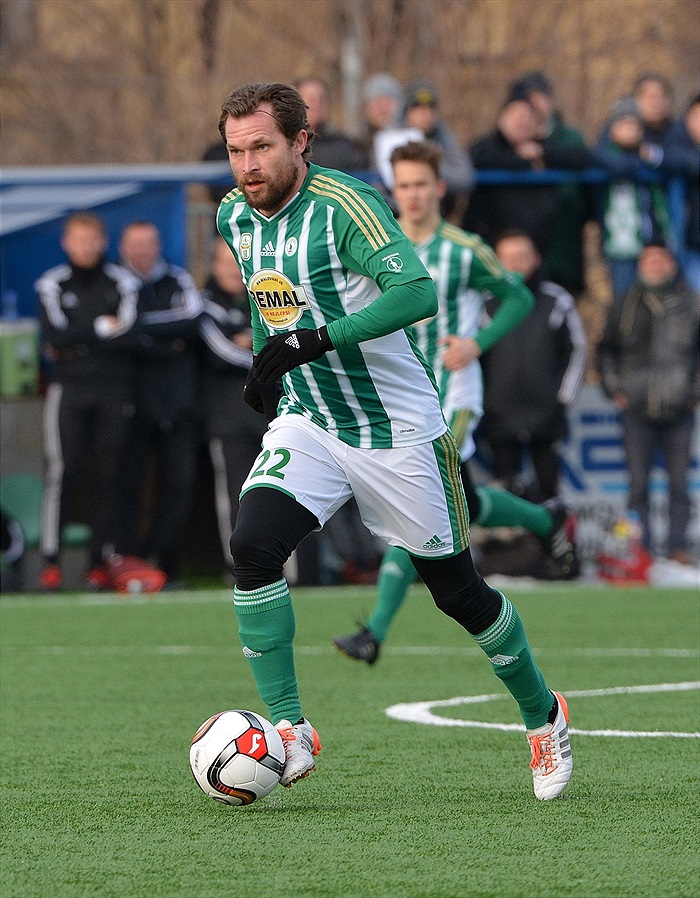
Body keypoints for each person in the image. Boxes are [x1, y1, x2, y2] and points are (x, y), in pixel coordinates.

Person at [216, 81, 573, 800]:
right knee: (252, 547)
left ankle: (544, 716)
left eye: (261, 147)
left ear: (300, 143)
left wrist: (318, 339)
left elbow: (416, 293)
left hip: (399, 428)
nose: (247, 165)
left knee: (457, 592)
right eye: (235, 150)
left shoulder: (346, 207)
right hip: (314, 419)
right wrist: (266, 362)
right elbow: (268, 297)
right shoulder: (234, 216)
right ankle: (290, 729)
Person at [333, 142, 579, 666]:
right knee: (457, 498)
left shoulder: (464, 249)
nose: (413, 194)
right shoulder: (376, 243)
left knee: (418, 498)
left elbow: (520, 297)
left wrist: (477, 344)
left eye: (421, 184)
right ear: (391, 190)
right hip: (396, 394)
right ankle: (546, 520)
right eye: (403, 185)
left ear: (439, 188)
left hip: (451, 394)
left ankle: (374, 631)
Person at [35, 211, 139, 591]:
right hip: (69, 389)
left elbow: (130, 333)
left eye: (92, 240)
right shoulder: (51, 284)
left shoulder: (122, 281)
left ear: (103, 242)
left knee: (108, 473)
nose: (85, 247)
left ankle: (100, 561)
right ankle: (51, 560)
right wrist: (99, 327)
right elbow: (55, 339)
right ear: (66, 243)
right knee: (65, 471)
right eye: (78, 240)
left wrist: (79, 338)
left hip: (113, 388)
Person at [597, 241, 699, 565]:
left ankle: (678, 548)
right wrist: (615, 388)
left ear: (672, 264)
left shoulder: (692, 303)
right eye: (648, 260)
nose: (655, 265)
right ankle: (640, 551)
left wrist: (695, 392)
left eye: (661, 259)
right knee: (637, 484)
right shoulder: (624, 303)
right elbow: (606, 350)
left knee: (679, 484)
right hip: (636, 407)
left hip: (680, 406)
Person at [116, 220, 203, 585]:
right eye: (135, 244)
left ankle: (163, 561)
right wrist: (165, 341)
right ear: (123, 248)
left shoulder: (178, 280)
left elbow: (191, 319)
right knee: (128, 483)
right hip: (132, 405)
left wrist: (141, 334)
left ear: (158, 246)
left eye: (148, 243)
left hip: (178, 404)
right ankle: (128, 562)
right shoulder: (117, 283)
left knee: (180, 483)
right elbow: (117, 332)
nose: (142, 251)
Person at [480, 229, 587, 503]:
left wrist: (562, 398)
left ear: (537, 259)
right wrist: (481, 401)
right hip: (498, 414)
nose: (515, 265)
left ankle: (552, 545)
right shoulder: (482, 302)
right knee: (503, 492)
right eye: (507, 258)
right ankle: (510, 547)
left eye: (522, 257)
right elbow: (471, 354)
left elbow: (577, 349)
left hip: (546, 414)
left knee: (550, 493)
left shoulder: (557, 300)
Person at [198, 238, 268, 579]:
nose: (231, 269)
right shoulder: (205, 305)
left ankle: (293, 568)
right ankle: (238, 568)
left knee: (280, 493)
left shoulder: (266, 300)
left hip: (270, 417)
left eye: (236, 261)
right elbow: (221, 350)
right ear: (213, 266)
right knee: (235, 495)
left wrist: (252, 341)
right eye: (224, 261)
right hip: (227, 419)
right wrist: (262, 353)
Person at [506, 71, 594, 296]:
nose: (534, 106)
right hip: (520, 246)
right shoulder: (507, 140)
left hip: (563, 243)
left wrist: (542, 152)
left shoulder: (567, 136)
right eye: (527, 100)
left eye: (538, 98)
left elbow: (582, 157)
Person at [593, 97, 674, 299]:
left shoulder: (652, 153)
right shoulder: (603, 154)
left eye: (635, 125)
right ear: (612, 128)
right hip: (621, 243)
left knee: (660, 299)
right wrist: (642, 161)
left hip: (654, 239)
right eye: (624, 124)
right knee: (624, 301)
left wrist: (653, 157)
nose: (631, 130)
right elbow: (619, 167)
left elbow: (677, 161)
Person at [402, 79, 473, 223]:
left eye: (431, 109)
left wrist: (430, 165)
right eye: (419, 109)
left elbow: (464, 178)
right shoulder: (390, 137)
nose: (426, 115)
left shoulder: (443, 136)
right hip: (395, 217)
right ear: (407, 112)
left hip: (436, 216)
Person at [296, 77, 368, 173]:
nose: (317, 104)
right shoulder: (287, 145)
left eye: (322, 99)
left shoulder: (345, 146)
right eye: (312, 99)